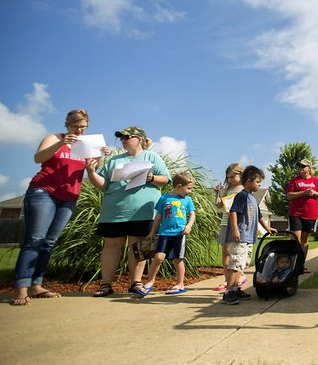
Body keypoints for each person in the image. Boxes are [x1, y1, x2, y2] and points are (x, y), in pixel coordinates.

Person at [11, 109, 107, 306]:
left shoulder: (89, 145)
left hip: (69, 197)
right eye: (75, 126)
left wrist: (99, 159)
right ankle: (21, 288)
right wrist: (61, 143)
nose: (79, 130)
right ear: (67, 125)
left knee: (49, 241)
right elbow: (38, 158)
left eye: (83, 127)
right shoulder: (55, 138)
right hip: (43, 192)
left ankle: (37, 285)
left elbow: (90, 173)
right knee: (35, 239)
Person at [86, 126, 170, 297]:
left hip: (143, 211)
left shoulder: (152, 157)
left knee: (138, 246)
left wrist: (151, 177)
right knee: (111, 246)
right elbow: (103, 184)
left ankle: (136, 283)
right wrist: (91, 171)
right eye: (121, 138)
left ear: (139, 139)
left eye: (127, 137)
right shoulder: (114, 160)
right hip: (115, 211)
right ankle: (106, 285)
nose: (123, 140)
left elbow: (166, 179)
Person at [222, 165, 277, 305]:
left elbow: (259, 216)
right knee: (235, 264)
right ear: (249, 181)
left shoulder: (252, 198)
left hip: (247, 237)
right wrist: (235, 230)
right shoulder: (242, 196)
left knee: (241, 264)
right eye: (258, 182)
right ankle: (228, 292)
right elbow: (233, 212)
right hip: (240, 235)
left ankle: (235, 289)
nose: (259, 185)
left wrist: (267, 227)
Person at [141, 171, 196, 296]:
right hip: (165, 233)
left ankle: (180, 283)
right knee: (159, 257)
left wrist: (188, 226)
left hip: (179, 234)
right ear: (178, 186)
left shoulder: (187, 200)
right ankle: (150, 282)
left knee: (177, 259)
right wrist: (152, 232)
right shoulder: (164, 198)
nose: (190, 191)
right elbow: (158, 216)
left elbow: (192, 214)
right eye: (188, 188)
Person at [212, 163, 247, 292]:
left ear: (241, 175)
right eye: (228, 177)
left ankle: (239, 277)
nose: (231, 179)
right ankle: (227, 280)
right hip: (225, 224)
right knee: (226, 253)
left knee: (237, 253)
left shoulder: (244, 190)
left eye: (233, 176)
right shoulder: (227, 190)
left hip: (237, 225)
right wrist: (217, 193)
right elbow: (219, 205)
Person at [286, 159, 318, 273]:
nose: (301, 168)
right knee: (294, 239)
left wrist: (314, 193)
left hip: (310, 214)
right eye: (299, 167)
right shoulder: (294, 180)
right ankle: (290, 265)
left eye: (303, 166)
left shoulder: (316, 181)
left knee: (305, 240)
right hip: (296, 213)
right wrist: (303, 193)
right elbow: (289, 196)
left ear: (309, 168)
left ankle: (301, 265)